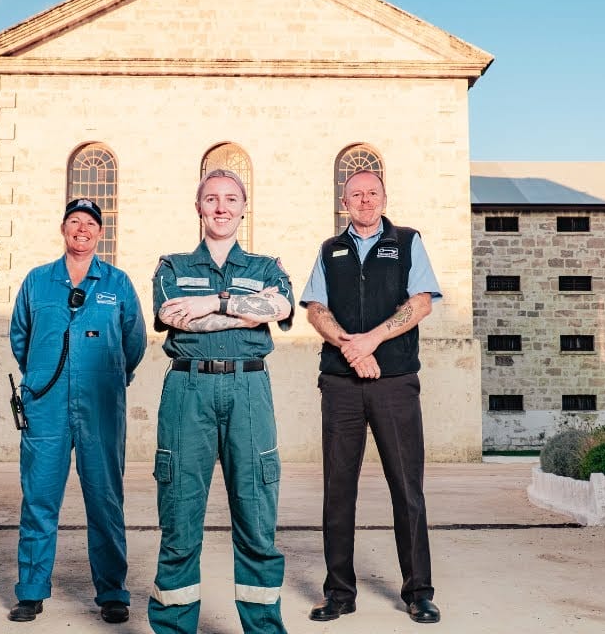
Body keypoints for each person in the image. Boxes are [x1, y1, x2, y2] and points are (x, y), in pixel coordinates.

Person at [148, 169, 294, 634]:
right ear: (198, 207)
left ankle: (264, 628)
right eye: (211, 198)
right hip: (187, 392)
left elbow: (282, 308)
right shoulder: (171, 266)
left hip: (249, 392)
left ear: (244, 207)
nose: (221, 207)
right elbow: (175, 319)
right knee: (179, 518)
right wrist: (246, 311)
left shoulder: (268, 267)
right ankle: (173, 628)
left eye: (231, 199)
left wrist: (215, 302)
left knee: (256, 518)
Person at [300, 170, 443, 625]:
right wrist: (350, 347)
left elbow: (421, 303)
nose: (364, 200)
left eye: (372, 193)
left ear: (385, 197)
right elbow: (315, 309)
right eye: (356, 194)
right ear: (345, 202)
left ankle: (418, 591)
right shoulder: (329, 250)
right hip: (341, 384)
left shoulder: (406, 241)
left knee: (407, 487)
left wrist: (373, 341)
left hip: (395, 381)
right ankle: (339, 593)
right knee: (338, 492)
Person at [7, 198, 146, 625]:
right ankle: (31, 592)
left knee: (105, 500)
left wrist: (108, 379)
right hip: (45, 405)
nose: (81, 229)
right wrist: (41, 376)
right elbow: (20, 336)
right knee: (39, 500)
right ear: (63, 228)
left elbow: (135, 341)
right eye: (74, 222)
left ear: (100, 233)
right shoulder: (37, 281)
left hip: (100, 406)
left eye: (90, 223)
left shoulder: (118, 283)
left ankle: (112, 593)